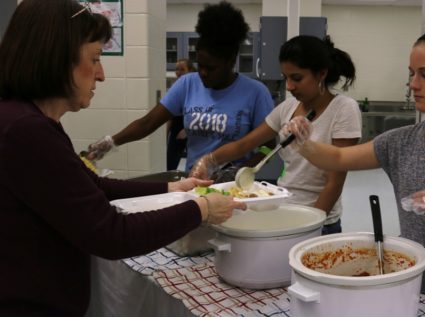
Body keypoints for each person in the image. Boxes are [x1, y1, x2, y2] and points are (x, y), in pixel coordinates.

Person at [0, 1, 246, 316]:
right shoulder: (26, 131)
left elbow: (96, 187)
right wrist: (202, 208)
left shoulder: (32, 122)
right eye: (95, 59)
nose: (101, 75)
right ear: (58, 59)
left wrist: (174, 189)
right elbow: (111, 235)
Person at [284, 23, 425, 312]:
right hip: (416, 294)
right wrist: (304, 142)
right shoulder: (400, 143)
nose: (413, 84)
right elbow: (338, 159)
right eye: (411, 74)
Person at [191, 35, 361, 235]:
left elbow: (334, 182)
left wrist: (309, 226)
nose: (289, 86)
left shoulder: (343, 110)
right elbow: (244, 145)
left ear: (321, 74)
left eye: (297, 78)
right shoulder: (288, 107)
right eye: (285, 78)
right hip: (281, 210)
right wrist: (208, 161)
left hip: (319, 220)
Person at [87, 1, 274, 174]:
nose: (203, 73)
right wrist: (110, 142)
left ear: (231, 60)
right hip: (194, 179)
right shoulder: (187, 84)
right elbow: (147, 123)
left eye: (211, 68)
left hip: (236, 187)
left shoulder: (256, 92)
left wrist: (240, 172)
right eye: (200, 65)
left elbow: (269, 145)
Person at [166, 58, 196, 170]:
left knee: (194, 165)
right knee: (170, 163)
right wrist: (166, 133)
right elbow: (169, 114)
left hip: (192, 128)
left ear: (191, 71)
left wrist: (187, 130)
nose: (178, 72)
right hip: (176, 128)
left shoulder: (196, 89)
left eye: (182, 69)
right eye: (177, 69)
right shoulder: (175, 88)